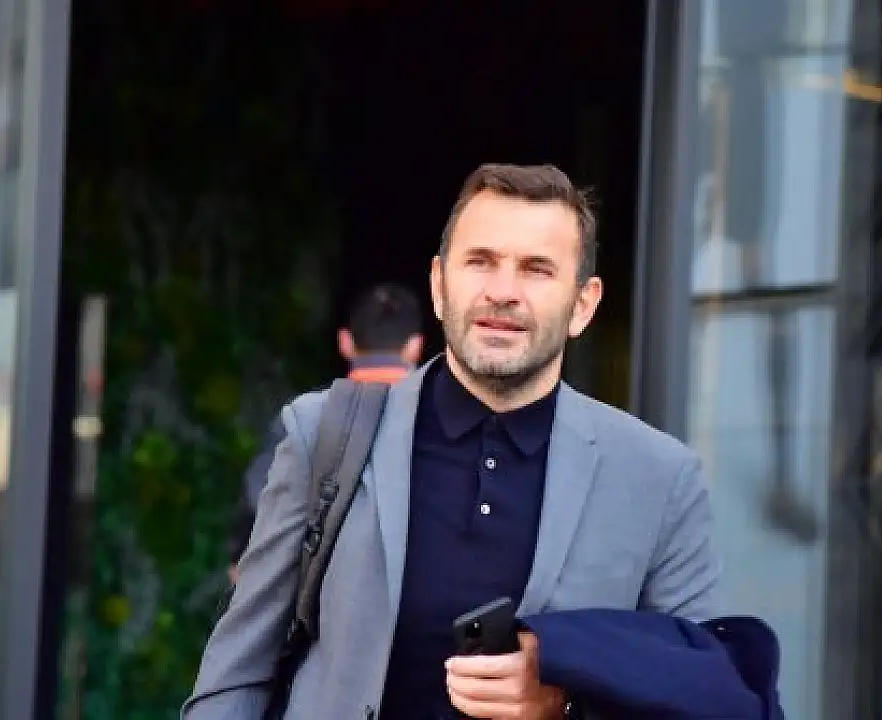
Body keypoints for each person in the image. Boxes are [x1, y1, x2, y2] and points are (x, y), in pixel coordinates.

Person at [188, 163, 720, 719]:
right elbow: (235, 677)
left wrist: (568, 701)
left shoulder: (658, 478)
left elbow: (702, 698)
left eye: (536, 269)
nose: (503, 292)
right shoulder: (323, 433)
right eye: (481, 261)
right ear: (440, 285)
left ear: (583, 305)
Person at [227, 283, 423, 582]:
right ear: (415, 347)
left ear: (345, 342)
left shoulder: (304, 417)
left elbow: (261, 500)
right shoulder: (443, 420)